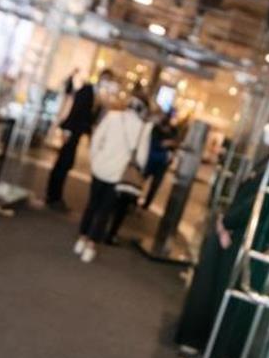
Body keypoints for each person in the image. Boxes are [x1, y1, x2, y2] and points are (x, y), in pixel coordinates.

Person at [175, 115, 269, 358]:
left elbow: (255, 204)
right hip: (239, 239)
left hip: (243, 241)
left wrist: (227, 222)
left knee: (227, 307)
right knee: (221, 303)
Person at [74, 93, 149, 263]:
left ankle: (81, 239)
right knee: (105, 210)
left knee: (92, 204)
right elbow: (142, 160)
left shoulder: (112, 117)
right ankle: (91, 246)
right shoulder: (142, 129)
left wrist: (96, 159)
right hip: (118, 175)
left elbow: (96, 140)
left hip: (100, 167)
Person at [46, 69, 116, 210]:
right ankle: (53, 197)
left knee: (65, 163)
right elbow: (75, 111)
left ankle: (54, 196)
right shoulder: (87, 90)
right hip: (72, 131)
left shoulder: (98, 95)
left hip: (76, 133)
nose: (106, 83)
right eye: (106, 79)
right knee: (63, 163)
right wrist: (67, 130)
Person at [140, 109, 178, 209]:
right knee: (141, 180)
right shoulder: (156, 128)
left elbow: (174, 145)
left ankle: (146, 204)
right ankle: (134, 198)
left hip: (162, 162)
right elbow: (153, 143)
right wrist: (165, 144)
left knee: (154, 185)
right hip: (152, 158)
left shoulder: (173, 130)